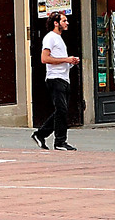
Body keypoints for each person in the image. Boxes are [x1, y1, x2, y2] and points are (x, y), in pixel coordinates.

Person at [32, 11, 80, 151]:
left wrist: (71, 62)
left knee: (62, 110)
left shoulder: (59, 39)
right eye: (64, 21)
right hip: (55, 78)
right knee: (61, 110)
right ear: (56, 23)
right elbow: (44, 59)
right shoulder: (50, 38)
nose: (67, 23)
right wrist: (66, 59)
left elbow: (57, 59)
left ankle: (41, 134)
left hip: (64, 78)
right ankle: (59, 141)